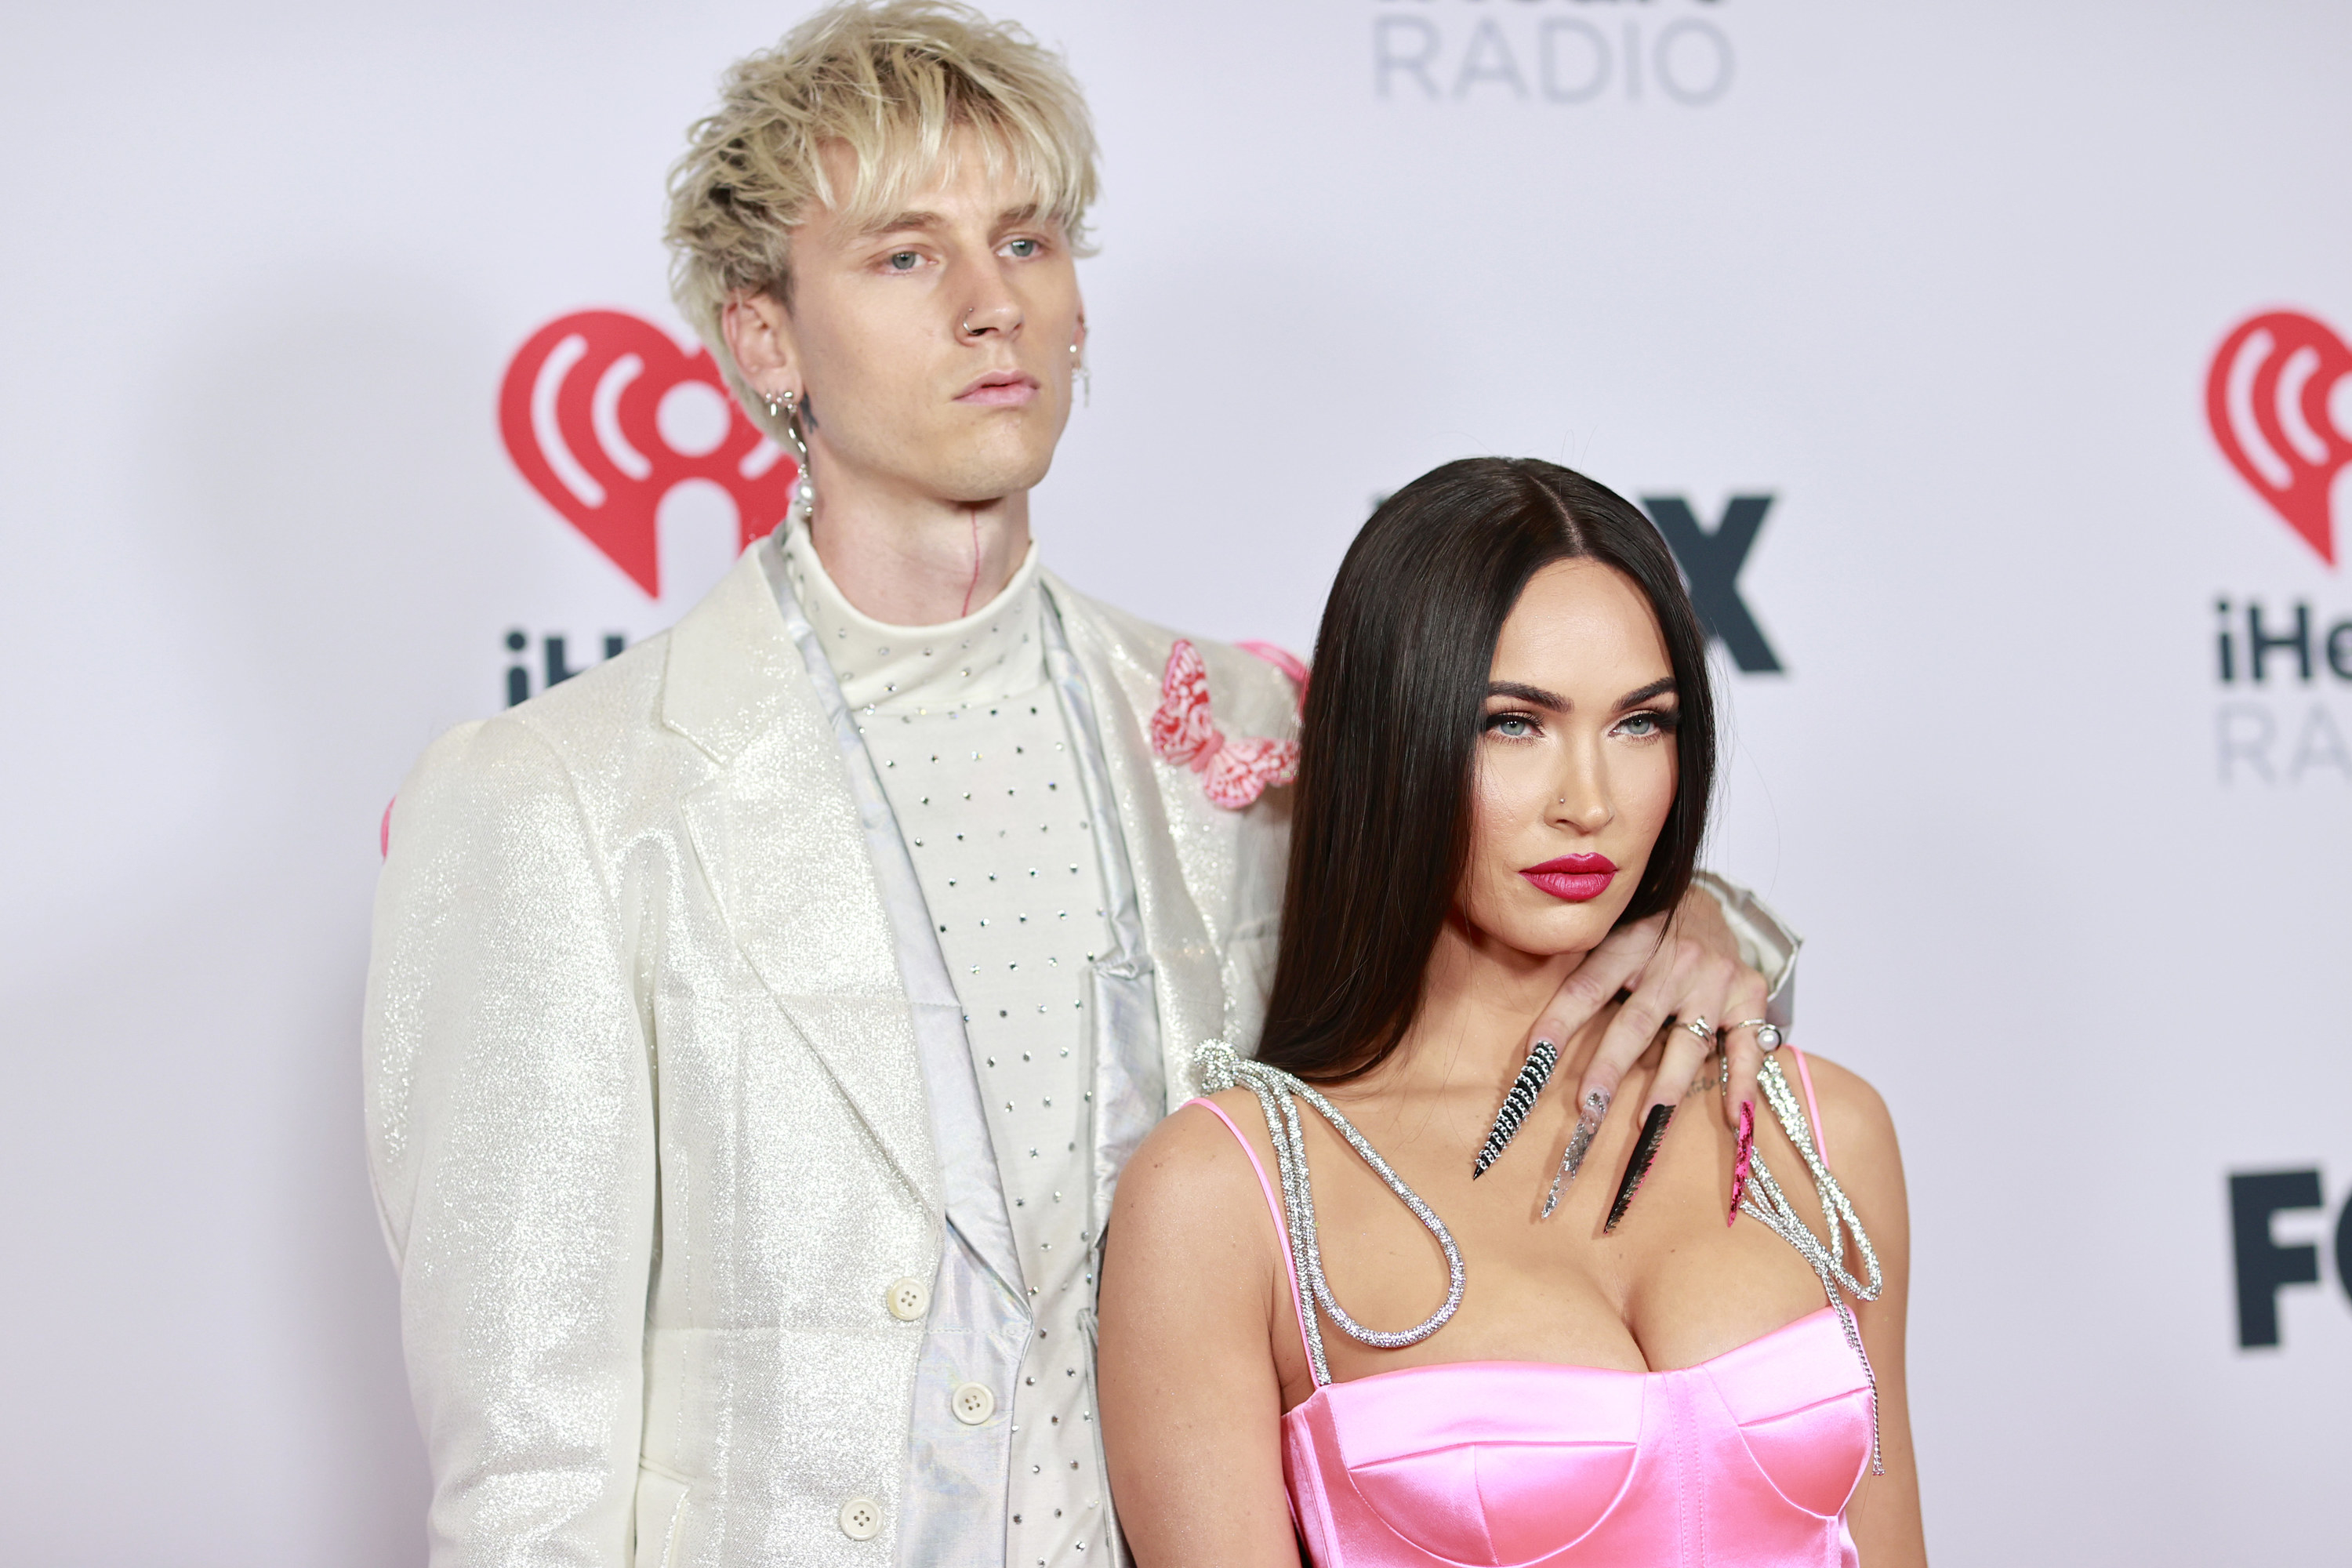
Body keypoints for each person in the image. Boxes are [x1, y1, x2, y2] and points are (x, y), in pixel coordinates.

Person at [361, 7, 1799, 1565]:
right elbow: (529, 1478)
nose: (993, 307)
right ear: (762, 336)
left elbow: (1517, 926)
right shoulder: (556, 801)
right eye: (907, 256)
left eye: (1030, 242)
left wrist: (1698, 918)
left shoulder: (1244, 736)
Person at [1098, 458, 1925, 1566]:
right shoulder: (1223, 1197)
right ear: (1393, 739)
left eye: (1641, 725)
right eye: (1513, 725)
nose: (1588, 800)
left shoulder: (1825, 1135)